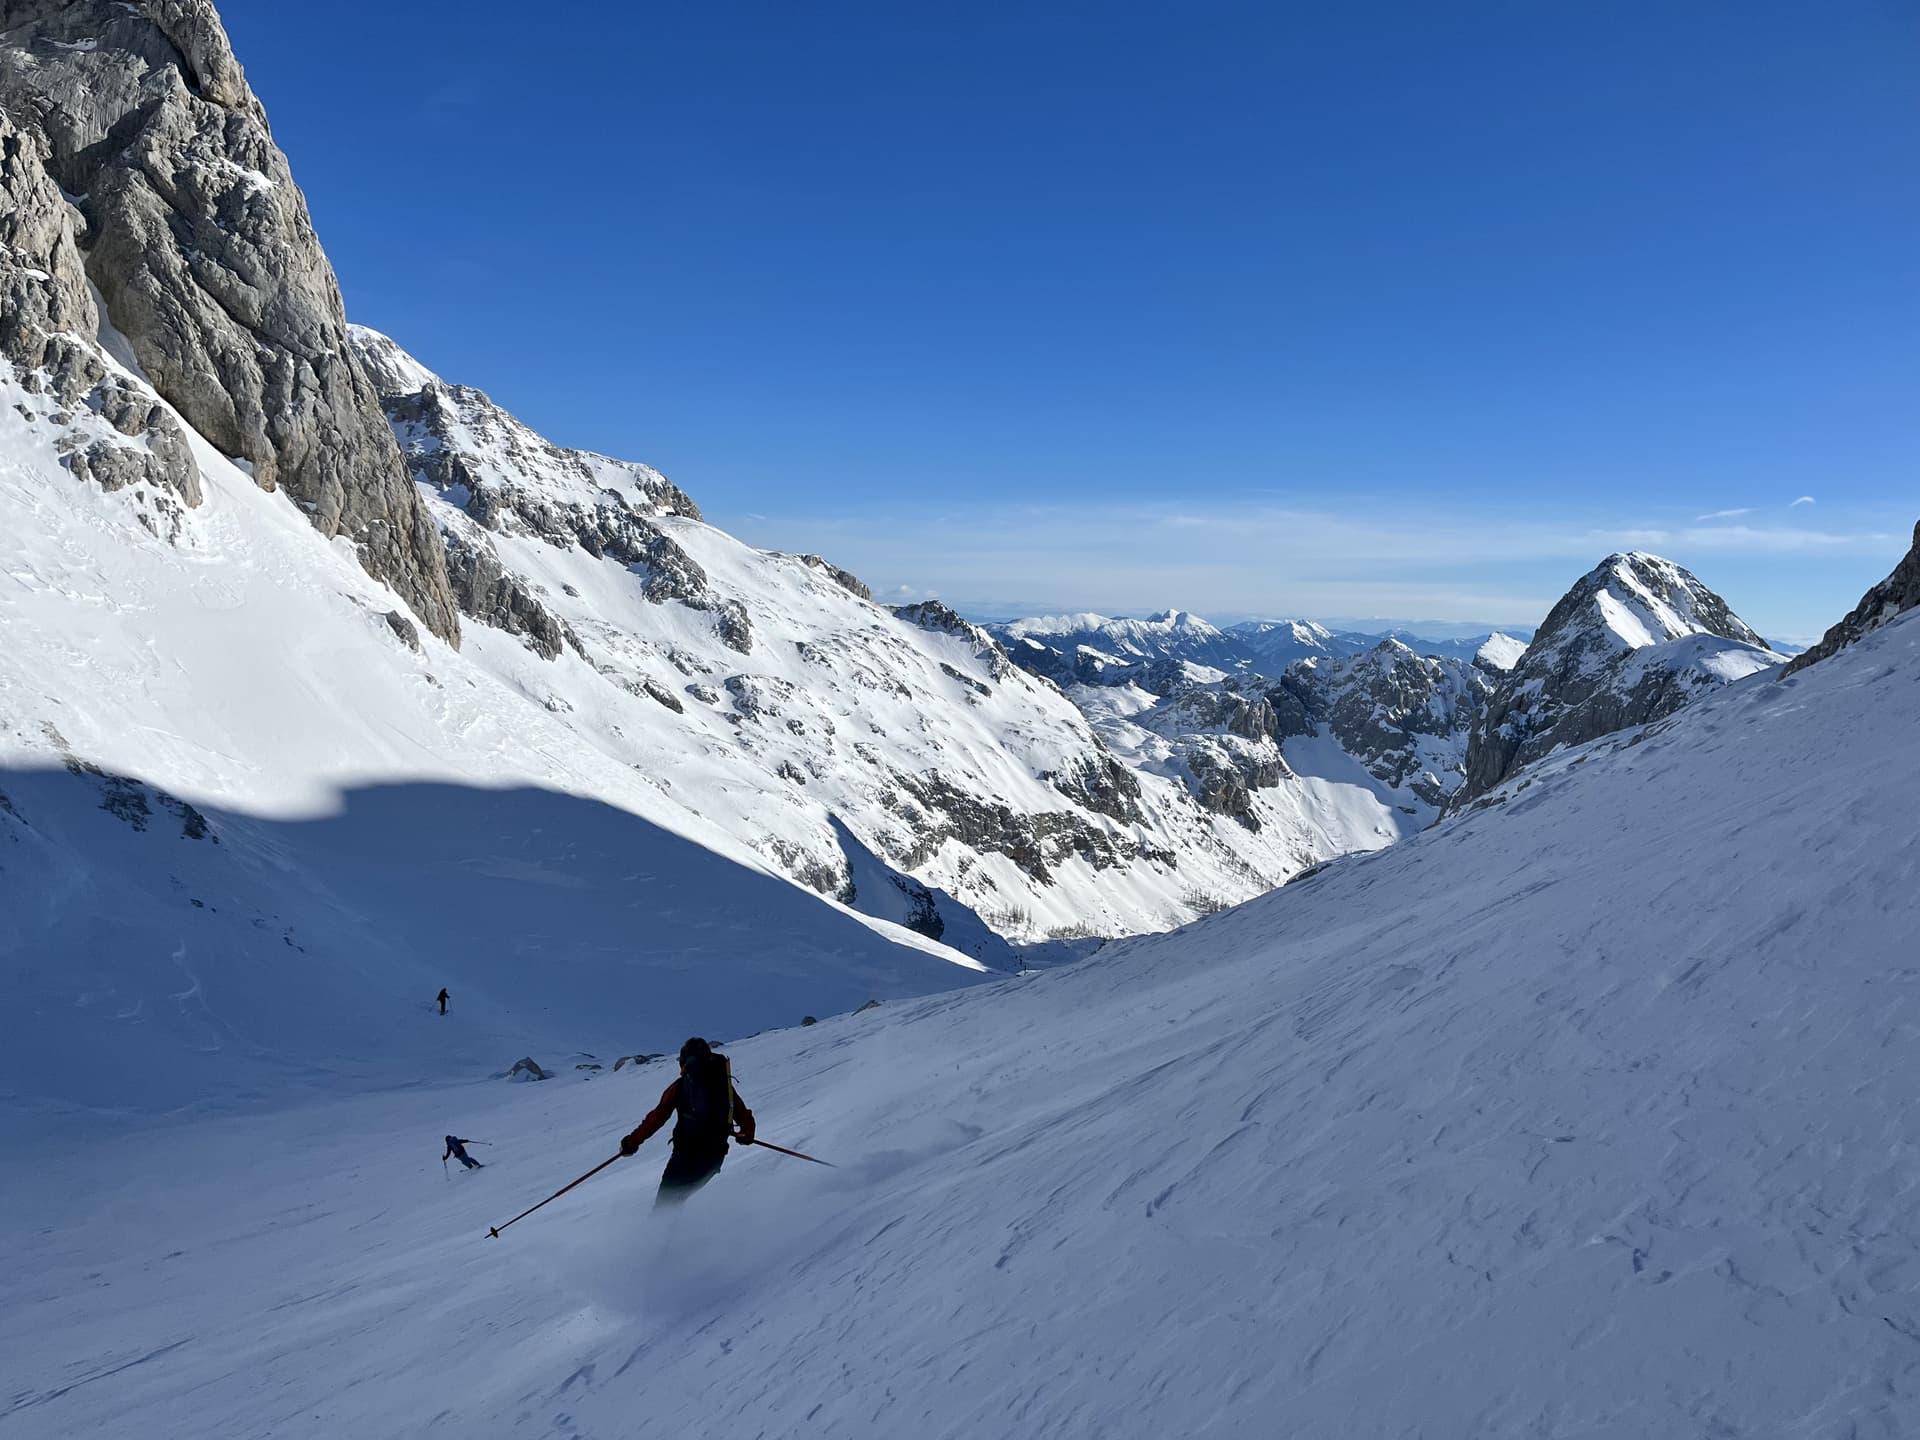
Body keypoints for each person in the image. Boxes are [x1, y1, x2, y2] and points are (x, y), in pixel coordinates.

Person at [619, 1037, 754, 1205]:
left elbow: (657, 1116)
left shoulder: (681, 1085)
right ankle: (677, 1229)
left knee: (665, 1206)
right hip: (714, 1157)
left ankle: (661, 1230)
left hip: (685, 1155)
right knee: (678, 1201)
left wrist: (633, 1141)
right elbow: (743, 1115)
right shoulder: (723, 1086)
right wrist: (746, 1135)